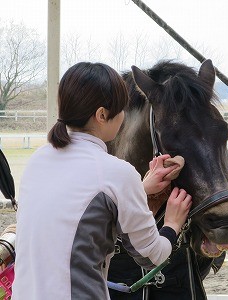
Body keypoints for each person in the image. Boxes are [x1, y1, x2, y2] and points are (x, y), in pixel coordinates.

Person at [11, 62, 192, 300]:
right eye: (121, 109)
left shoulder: (38, 159)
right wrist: (172, 223)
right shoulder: (116, 173)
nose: (124, 116)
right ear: (102, 115)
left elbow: (78, 199)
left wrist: (140, 188)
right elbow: (151, 256)